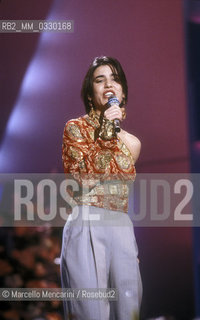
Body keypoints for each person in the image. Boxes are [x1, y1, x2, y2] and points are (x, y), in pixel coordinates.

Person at [61, 56, 142, 320]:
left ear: (123, 93)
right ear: (89, 93)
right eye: (100, 79)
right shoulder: (75, 128)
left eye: (115, 79)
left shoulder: (132, 143)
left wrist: (112, 131)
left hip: (120, 224)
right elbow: (84, 179)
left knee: (128, 309)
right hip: (87, 220)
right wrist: (106, 131)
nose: (109, 84)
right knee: (89, 312)